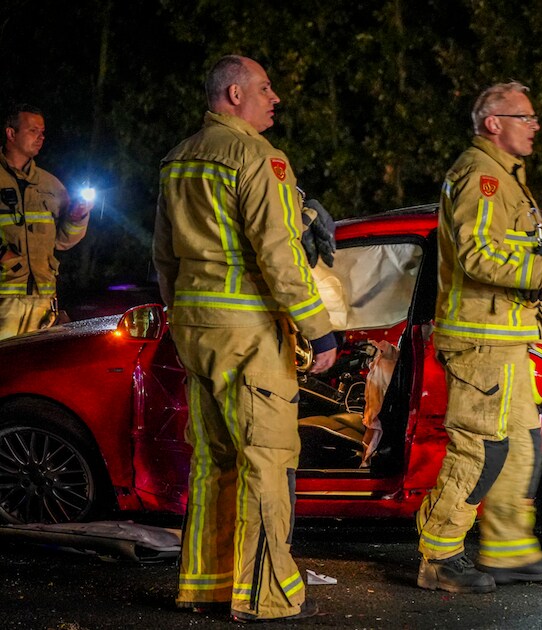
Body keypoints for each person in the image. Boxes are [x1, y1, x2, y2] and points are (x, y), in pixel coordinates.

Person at [153, 55, 337, 622]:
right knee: (267, 460)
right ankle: (264, 595)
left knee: (214, 462)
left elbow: (163, 255)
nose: (274, 98)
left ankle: (206, 585)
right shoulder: (259, 158)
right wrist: (318, 329)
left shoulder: (178, 159)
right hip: (250, 334)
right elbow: (280, 257)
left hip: (196, 329)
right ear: (234, 95)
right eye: (264, 88)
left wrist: (182, 314)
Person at [416, 82, 542, 594]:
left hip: (504, 337)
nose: (535, 126)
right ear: (494, 123)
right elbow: (477, 254)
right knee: (479, 451)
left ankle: (507, 550)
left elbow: (506, 250)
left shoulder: (506, 177)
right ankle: (439, 557)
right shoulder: (482, 176)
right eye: (525, 117)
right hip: (480, 342)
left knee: (521, 445)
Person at [0, 104, 93, 340]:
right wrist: (3, 255)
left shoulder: (51, 186)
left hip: (43, 304)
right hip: (4, 302)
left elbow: (63, 241)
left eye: (42, 132)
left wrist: (77, 217)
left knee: (35, 364)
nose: (41, 137)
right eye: (33, 131)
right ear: (11, 133)